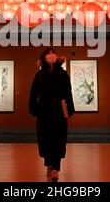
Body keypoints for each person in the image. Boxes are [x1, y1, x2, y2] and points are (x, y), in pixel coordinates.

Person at [29, 47, 75, 182]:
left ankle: (55, 168)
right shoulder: (39, 75)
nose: (50, 55)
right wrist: (33, 108)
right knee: (45, 139)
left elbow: (68, 92)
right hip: (44, 111)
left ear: (56, 57)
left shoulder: (63, 74)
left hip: (59, 111)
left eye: (52, 53)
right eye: (47, 54)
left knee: (58, 139)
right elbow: (33, 93)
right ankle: (49, 164)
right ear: (43, 58)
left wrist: (70, 109)